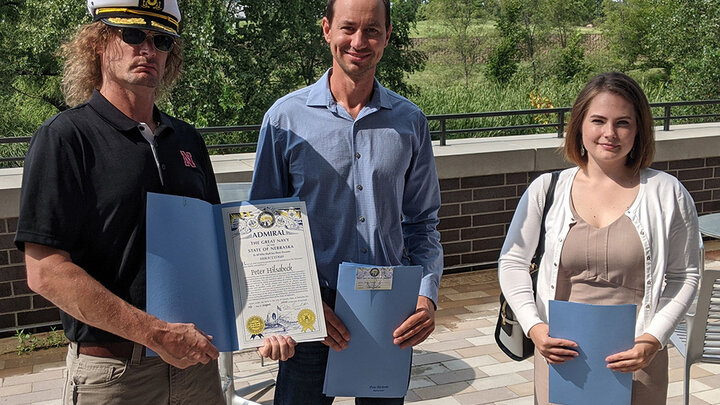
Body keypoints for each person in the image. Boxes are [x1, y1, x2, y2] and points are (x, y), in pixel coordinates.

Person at [14, 1, 226, 403]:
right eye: (131, 34)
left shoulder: (188, 140)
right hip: (114, 375)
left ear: (170, 55)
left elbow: (219, 246)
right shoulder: (65, 137)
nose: (146, 49)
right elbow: (45, 272)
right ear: (98, 43)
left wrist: (270, 318)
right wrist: (156, 334)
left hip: (197, 369)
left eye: (161, 39)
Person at [249, 0, 443, 403]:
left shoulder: (410, 123)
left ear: (388, 35)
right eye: (348, 28)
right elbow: (262, 233)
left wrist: (426, 295)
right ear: (326, 30)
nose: (359, 41)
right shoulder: (285, 120)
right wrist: (297, 304)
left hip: (387, 315)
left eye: (372, 30)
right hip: (310, 319)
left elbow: (422, 223)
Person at [498, 72, 700, 404]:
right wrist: (535, 327)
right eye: (598, 120)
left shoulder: (667, 194)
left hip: (638, 364)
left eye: (623, 122)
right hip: (561, 362)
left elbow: (685, 275)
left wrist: (653, 338)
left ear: (639, 130)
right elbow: (513, 262)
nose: (610, 133)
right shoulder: (546, 191)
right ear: (579, 125)